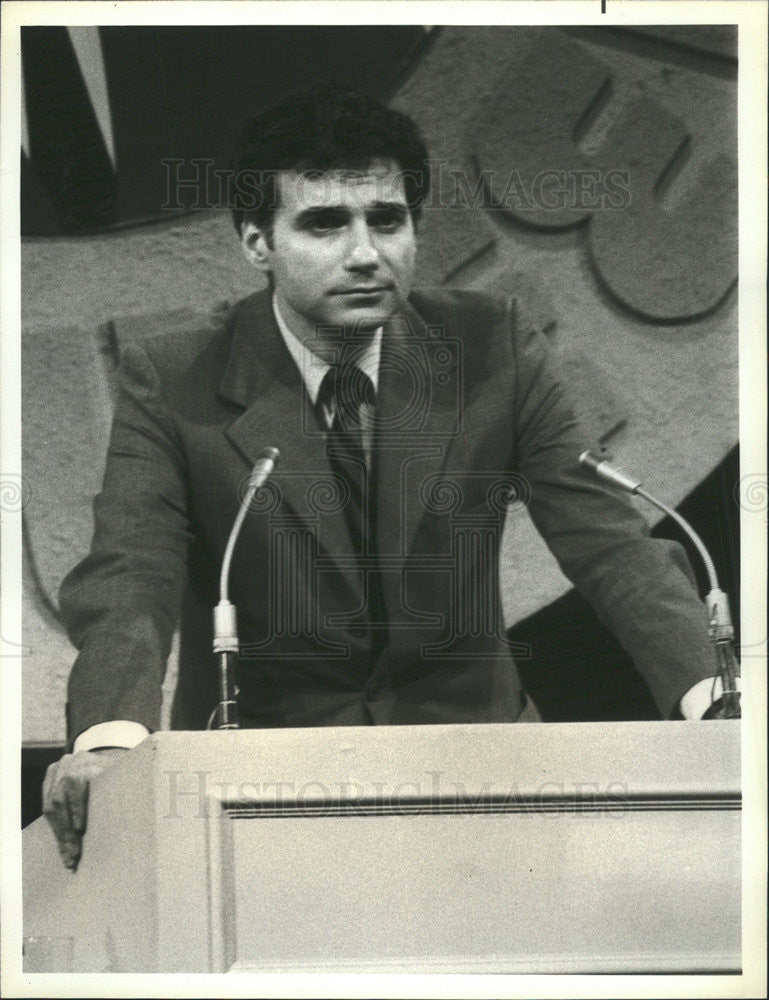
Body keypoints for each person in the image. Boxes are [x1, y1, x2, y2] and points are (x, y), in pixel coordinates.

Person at [43, 86, 725, 869]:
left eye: (387, 219)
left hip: (483, 777)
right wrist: (109, 741)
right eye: (325, 224)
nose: (365, 252)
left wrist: (714, 704)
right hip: (257, 797)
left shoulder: (491, 343)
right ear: (256, 243)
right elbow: (133, 574)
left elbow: (610, 547)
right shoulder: (173, 377)